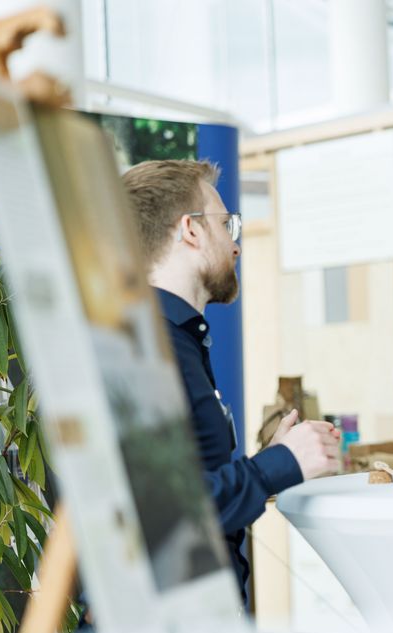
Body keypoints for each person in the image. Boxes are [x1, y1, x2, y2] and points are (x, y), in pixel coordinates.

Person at [122, 160, 341, 603]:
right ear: (192, 230)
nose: (236, 244)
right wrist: (278, 465)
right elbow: (166, 517)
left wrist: (275, 456)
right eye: (227, 224)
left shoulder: (177, 339)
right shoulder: (147, 347)